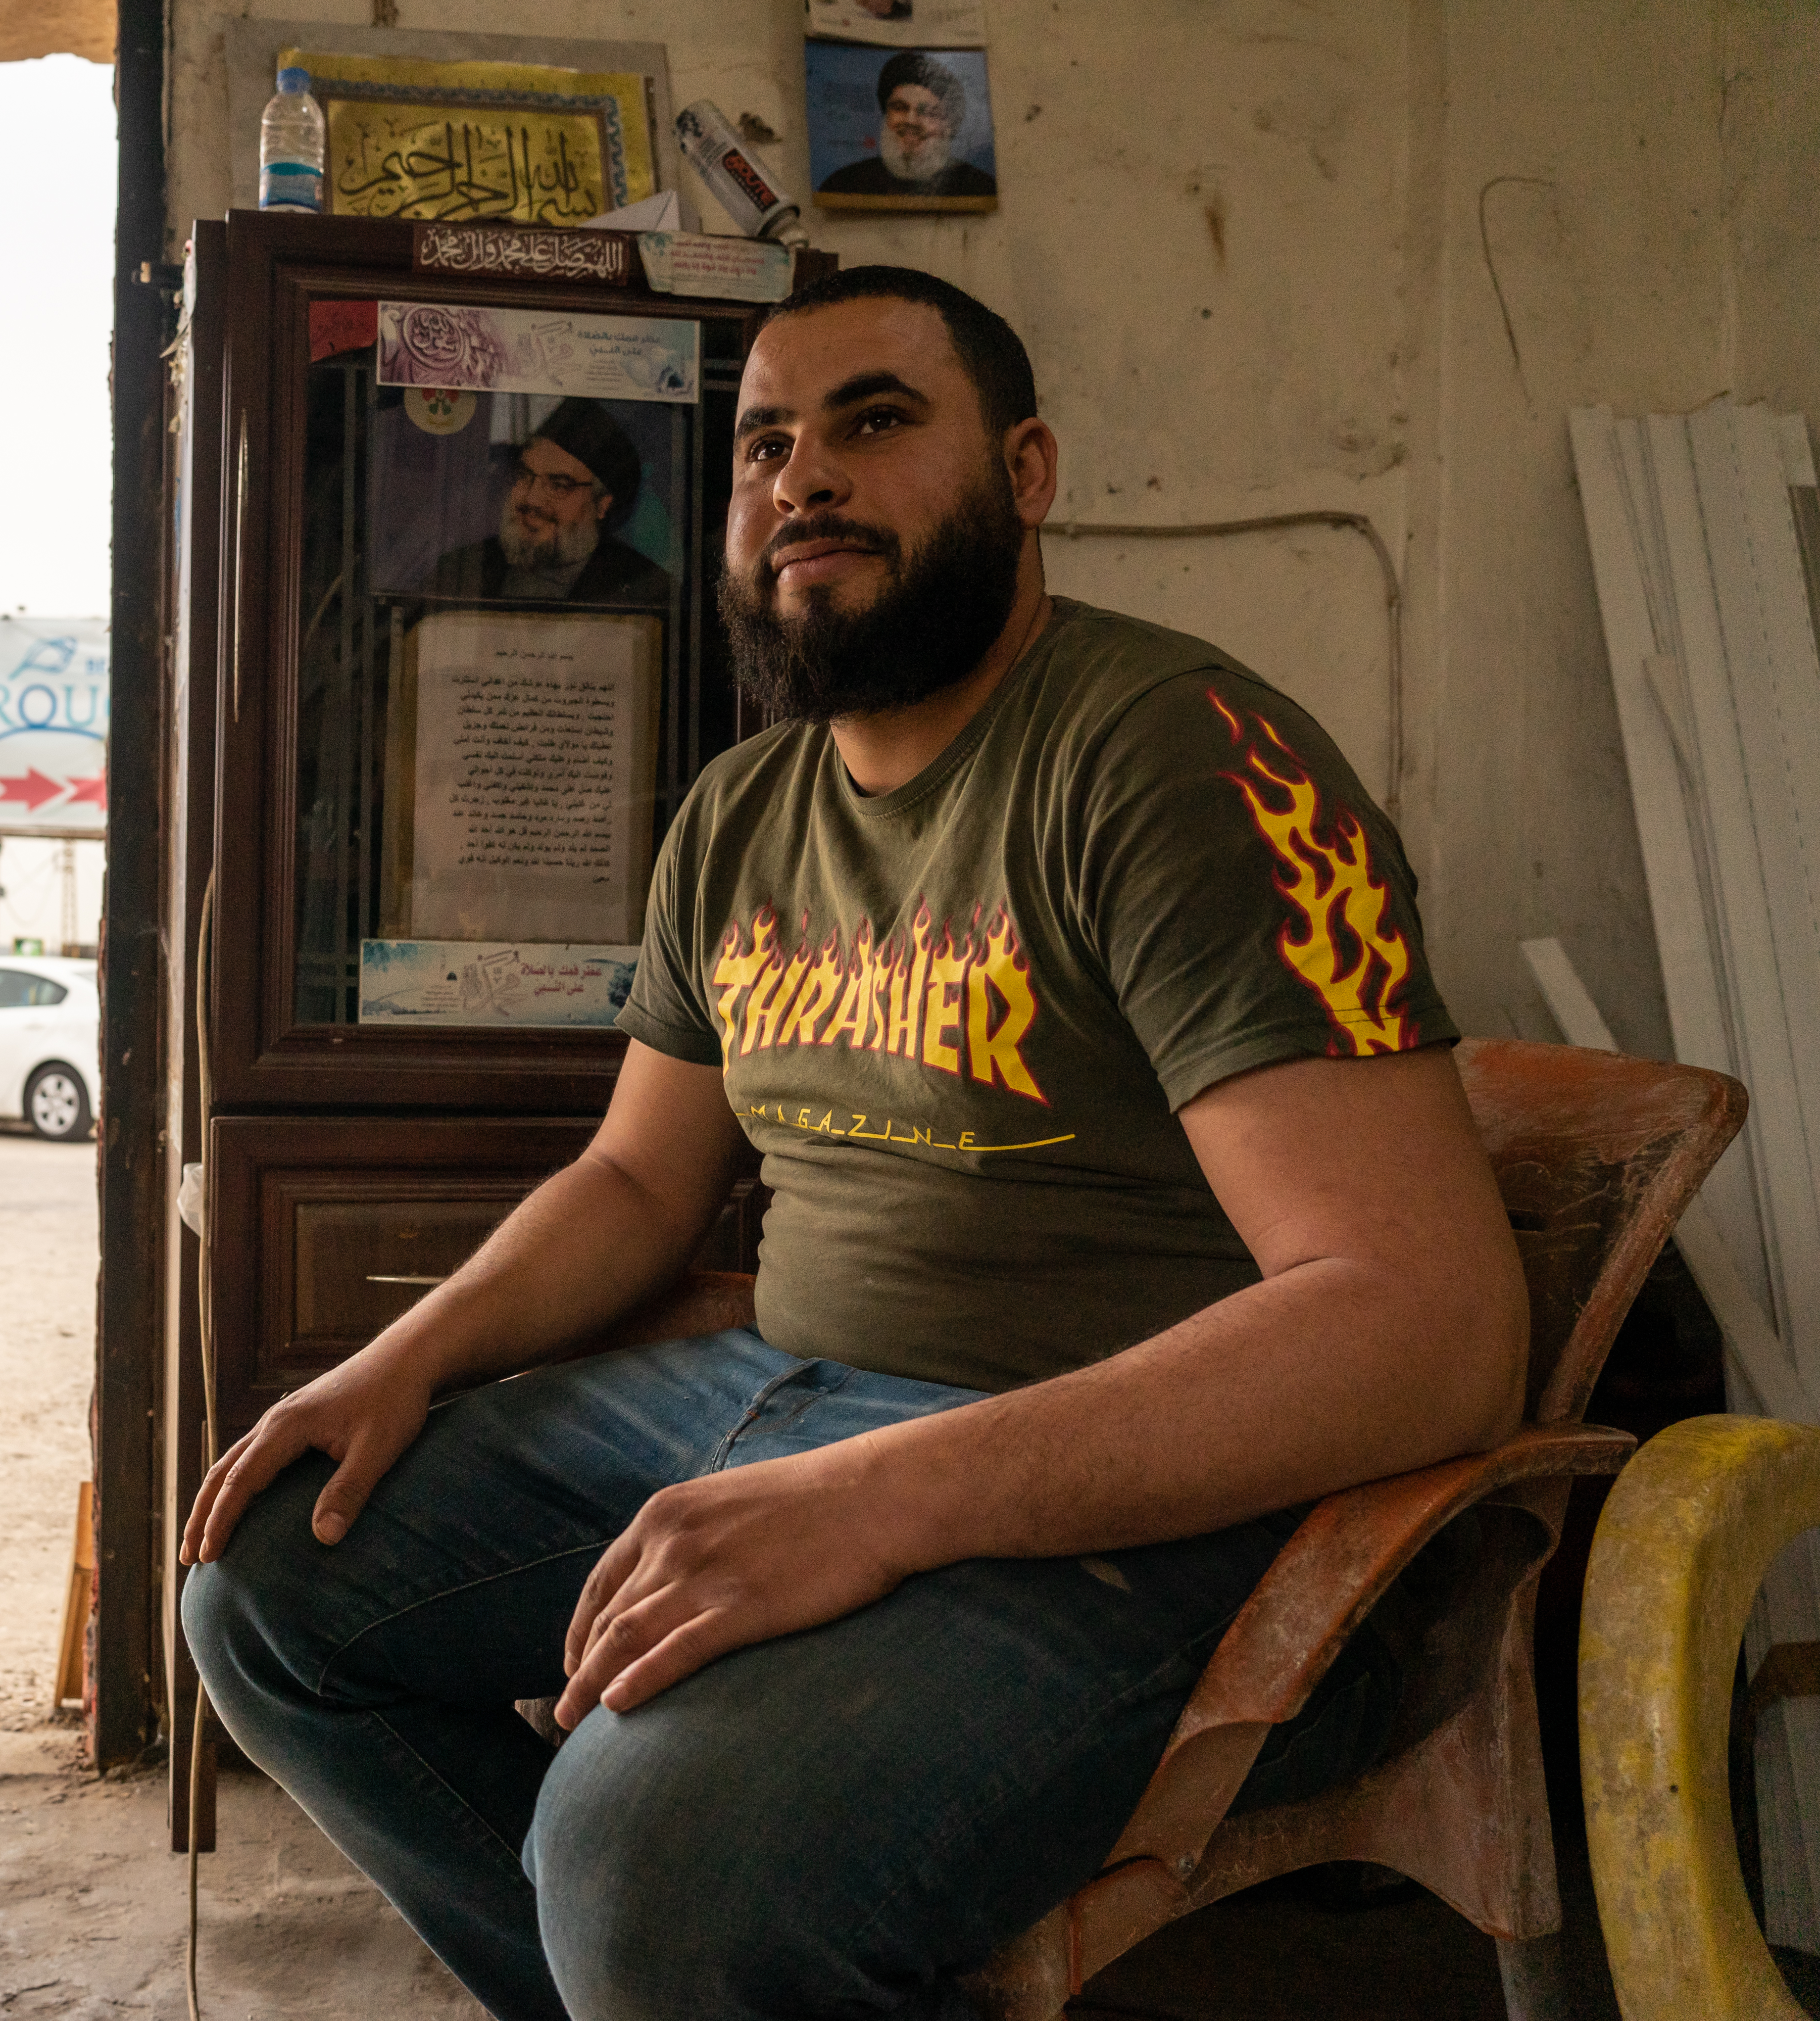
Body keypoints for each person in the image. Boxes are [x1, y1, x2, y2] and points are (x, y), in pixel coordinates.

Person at [181, 265, 1526, 2020]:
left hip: (1148, 1493)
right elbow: (636, 1181)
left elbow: (1430, 1327)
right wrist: (399, 1361)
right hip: (785, 1391)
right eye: (762, 446)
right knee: (269, 1585)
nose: (803, 477)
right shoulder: (746, 812)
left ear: (1026, 471)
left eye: (875, 423)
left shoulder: (1179, 759)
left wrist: (882, 1505)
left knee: (645, 1859)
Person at [430, 399, 676, 607]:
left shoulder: (646, 591)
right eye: (525, 476)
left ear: (602, 505)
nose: (532, 499)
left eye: (560, 485)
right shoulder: (457, 572)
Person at [819, 52, 999, 201]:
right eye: (899, 108)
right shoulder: (844, 184)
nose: (911, 121)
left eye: (929, 113)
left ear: (950, 126)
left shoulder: (979, 188)